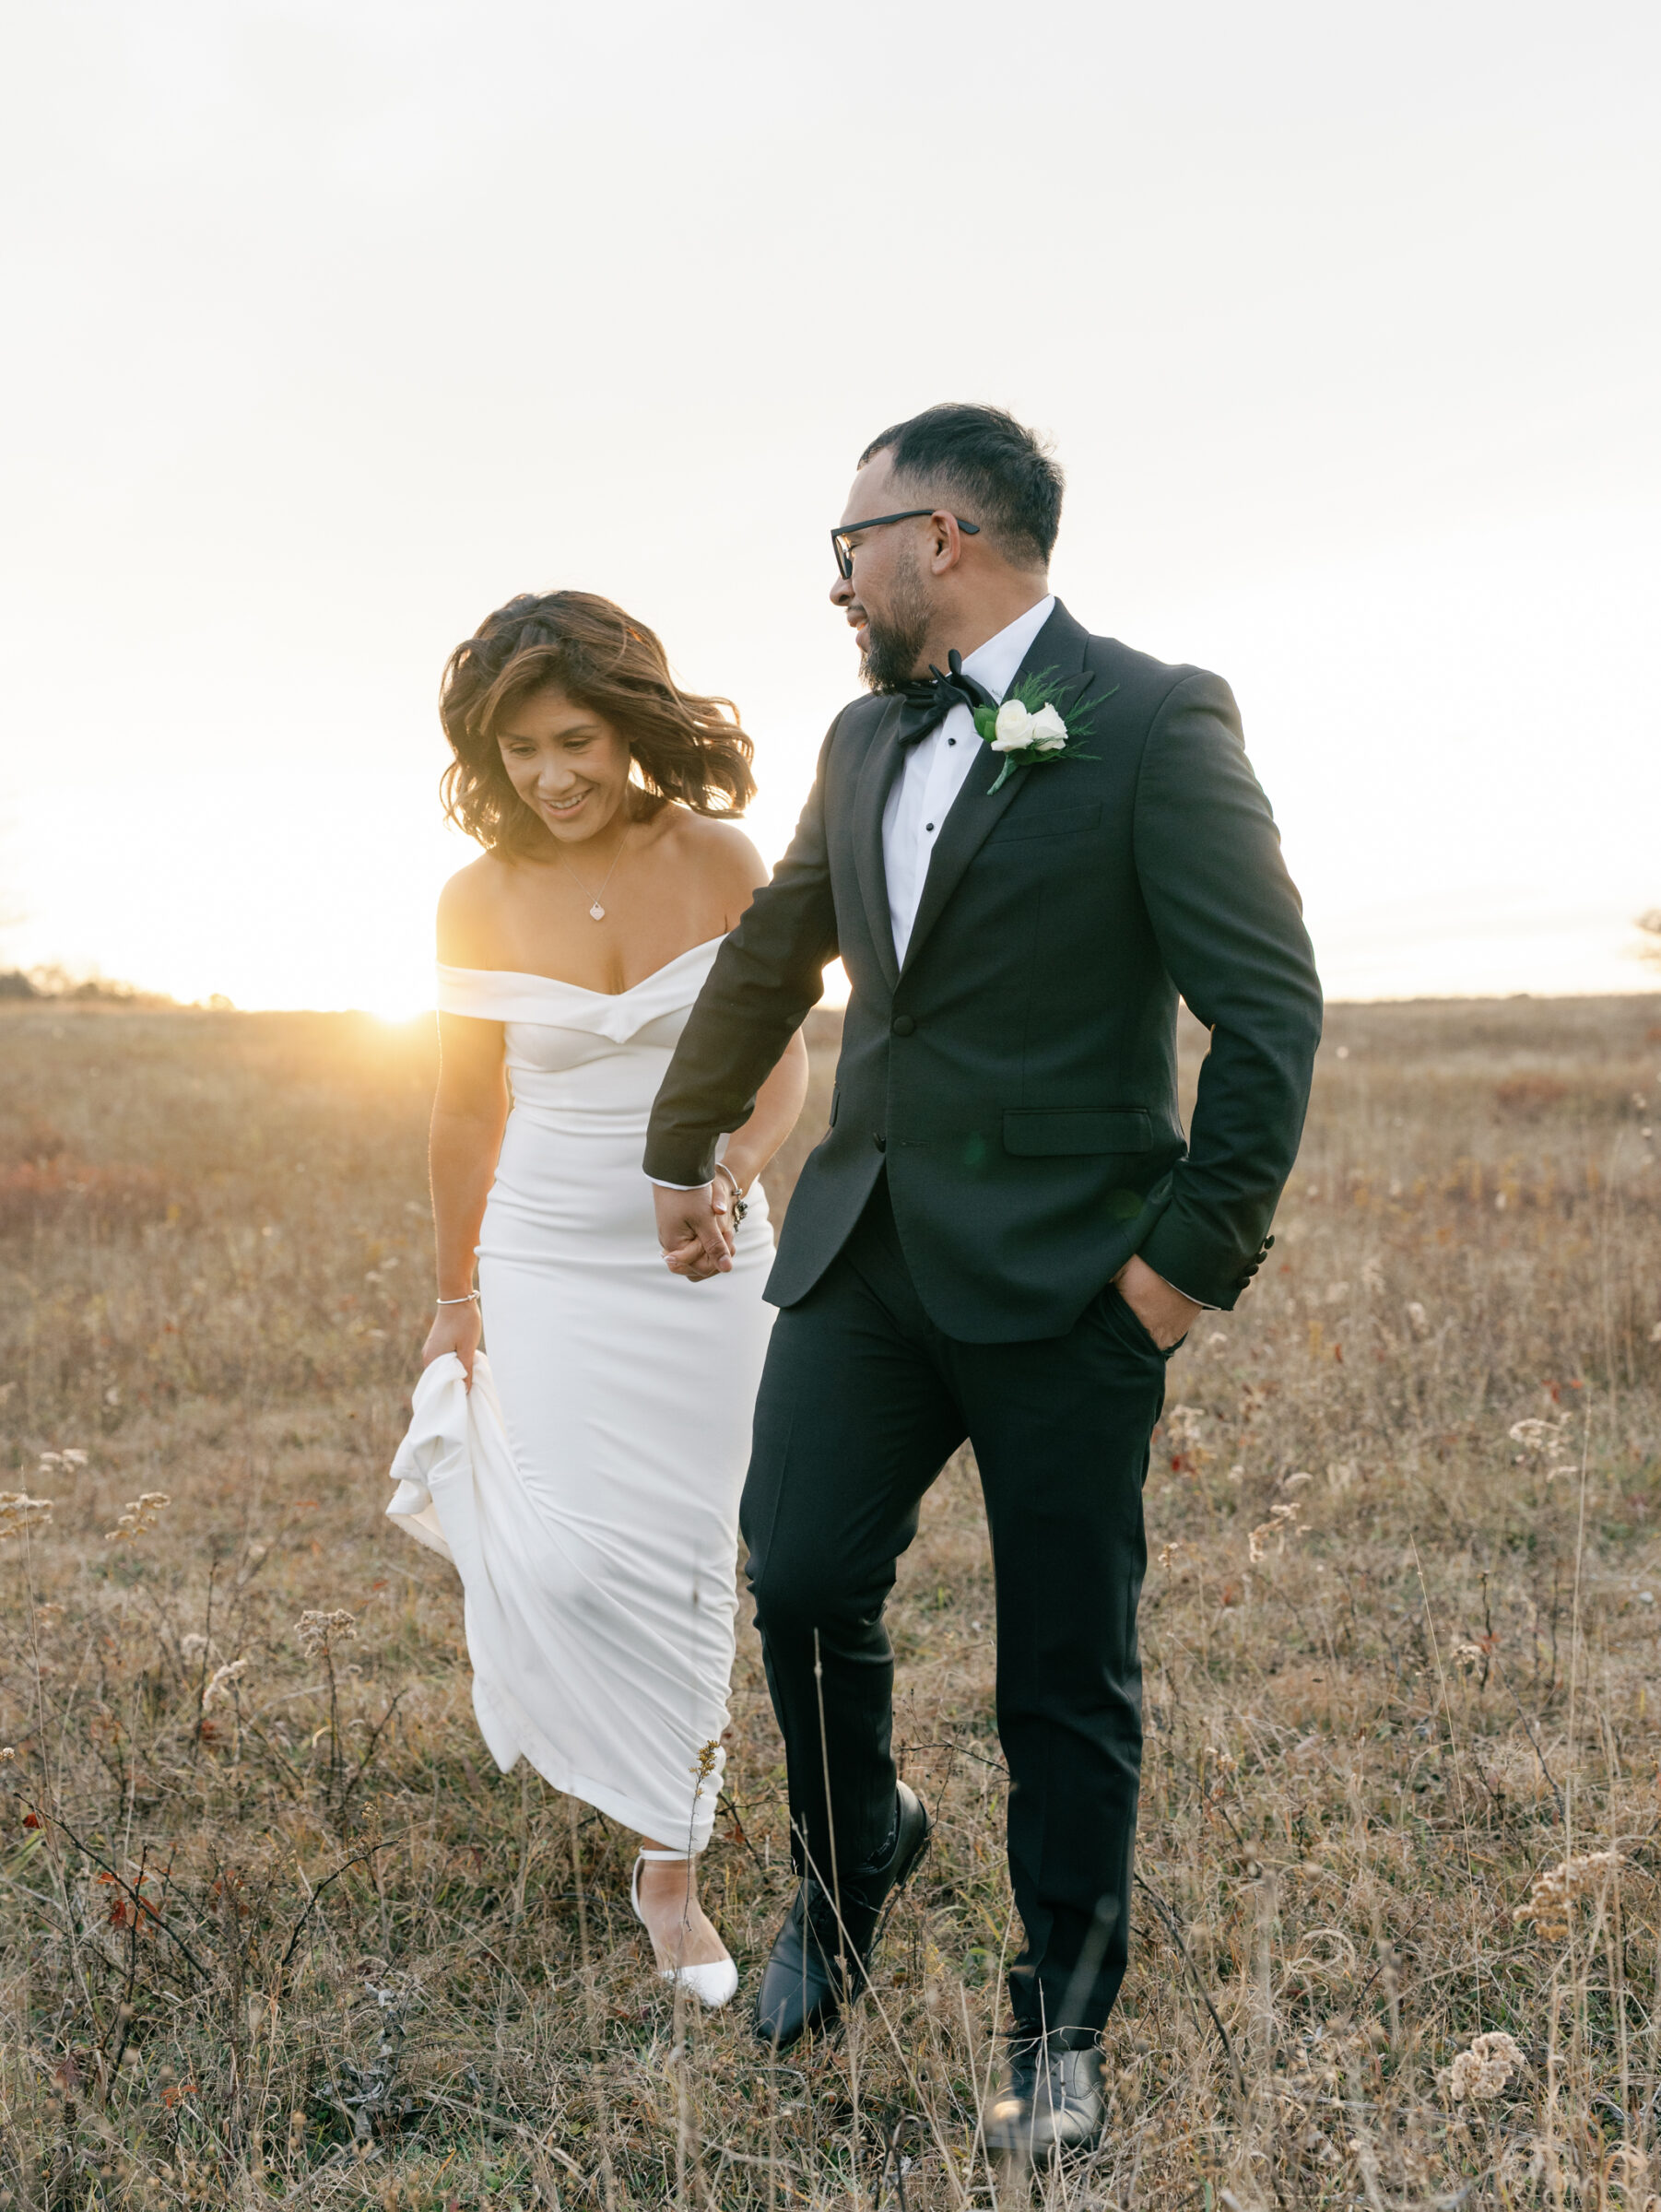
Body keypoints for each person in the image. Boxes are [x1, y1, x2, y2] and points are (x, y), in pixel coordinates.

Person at [646, 406, 1322, 2150]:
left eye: (848, 543)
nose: (838, 580)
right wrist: (679, 1145)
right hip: (863, 1256)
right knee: (794, 1581)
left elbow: (1265, 1010)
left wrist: (1182, 1271)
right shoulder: (864, 736)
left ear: (938, 537)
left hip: (1071, 1282)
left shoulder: (1157, 720)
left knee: (1061, 1669)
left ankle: (1059, 2029)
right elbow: (776, 942)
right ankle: (852, 1852)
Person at [386, 590, 807, 2009]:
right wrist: (453, 1295)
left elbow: (782, 1059)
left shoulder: (720, 856)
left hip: (706, 1256)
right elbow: (462, 1111)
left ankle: (669, 1869)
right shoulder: (472, 898)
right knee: (574, 1559)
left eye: (574, 741)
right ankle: (603, 1747)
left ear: (628, 729)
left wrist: (735, 1172)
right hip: (548, 1254)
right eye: (518, 754)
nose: (551, 776)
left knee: (700, 1557)